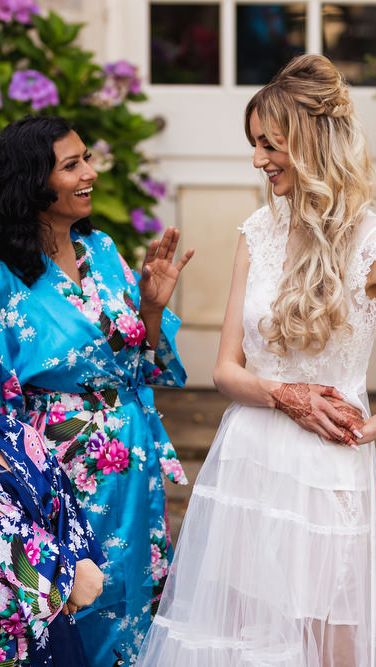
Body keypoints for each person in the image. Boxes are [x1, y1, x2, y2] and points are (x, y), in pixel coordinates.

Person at [137, 54, 376, 667]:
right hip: (249, 459)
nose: (259, 159)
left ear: (315, 143)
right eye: (255, 144)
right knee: (241, 640)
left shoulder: (374, 241)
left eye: (273, 144)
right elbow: (225, 372)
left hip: (328, 471)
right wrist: (284, 395)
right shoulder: (257, 231)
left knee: (330, 643)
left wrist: (369, 430)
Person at [0, 115, 193, 665]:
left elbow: (139, 361)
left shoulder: (101, 249)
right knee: (75, 599)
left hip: (132, 458)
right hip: (58, 467)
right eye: (72, 164)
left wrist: (151, 307)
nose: (91, 172)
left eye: (87, 158)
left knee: (135, 597)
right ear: (33, 181)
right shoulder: (6, 276)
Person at [0, 414, 105, 666]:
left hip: (48, 621)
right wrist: (63, 573)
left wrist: (74, 566)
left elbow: (61, 506)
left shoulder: (17, 434)